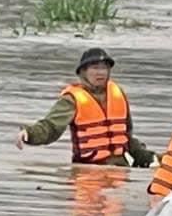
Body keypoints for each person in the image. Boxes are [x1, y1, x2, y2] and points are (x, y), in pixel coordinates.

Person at [16, 47, 154, 168]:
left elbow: (126, 137)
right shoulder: (72, 99)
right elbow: (51, 127)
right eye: (95, 68)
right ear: (83, 72)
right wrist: (29, 133)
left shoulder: (118, 94)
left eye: (104, 67)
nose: (100, 73)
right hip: (88, 170)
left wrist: (149, 158)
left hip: (120, 169)